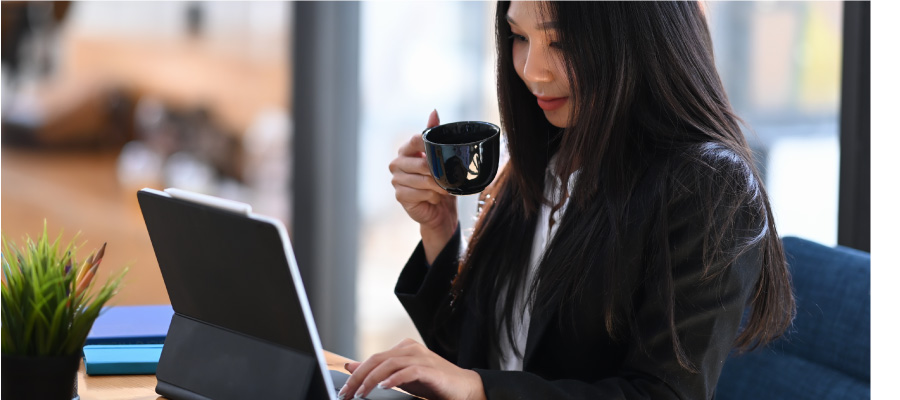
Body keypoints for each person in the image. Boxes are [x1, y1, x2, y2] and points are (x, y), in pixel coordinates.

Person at [340, 1, 795, 399]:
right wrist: (439, 230)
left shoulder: (708, 187)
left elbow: (662, 394)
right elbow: (476, 357)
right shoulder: (547, 155)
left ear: (637, 37)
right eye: (519, 36)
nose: (532, 70)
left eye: (561, 43)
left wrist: (480, 391)